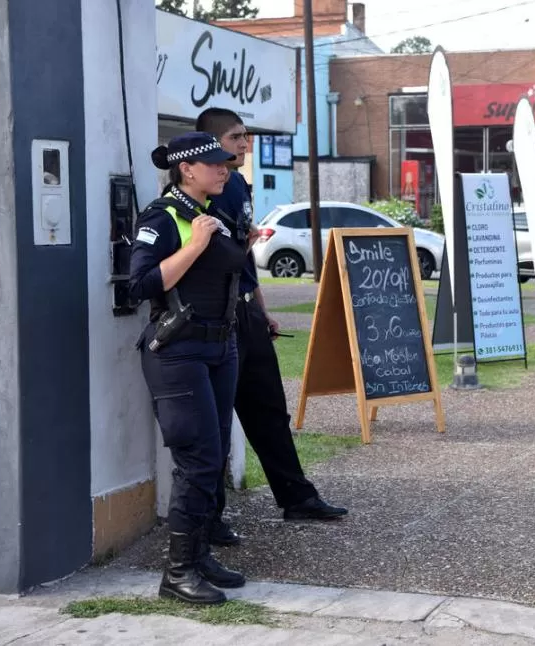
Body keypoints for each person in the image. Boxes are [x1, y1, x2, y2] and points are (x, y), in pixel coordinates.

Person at [194, 108, 348, 550]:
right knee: (216, 424)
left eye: (246, 136)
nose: (245, 144)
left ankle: (297, 497)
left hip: (247, 313)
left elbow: (244, 262)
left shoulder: (236, 184)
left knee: (268, 409)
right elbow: (216, 259)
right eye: (235, 137)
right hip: (217, 318)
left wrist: (262, 311)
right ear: (211, 144)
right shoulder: (203, 193)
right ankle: (209, 518)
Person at [129, 132, 247, 605]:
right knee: (197, 460)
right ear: (186, 170)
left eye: (225, 163)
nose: (224, 169)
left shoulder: (212, 213)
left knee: (214, 457)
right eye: (214, 163)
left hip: (220, 347)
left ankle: (199, 556)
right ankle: (177, 574)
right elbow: (140, 284)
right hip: (178, 352)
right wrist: (195, 245)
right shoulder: (162, 216)